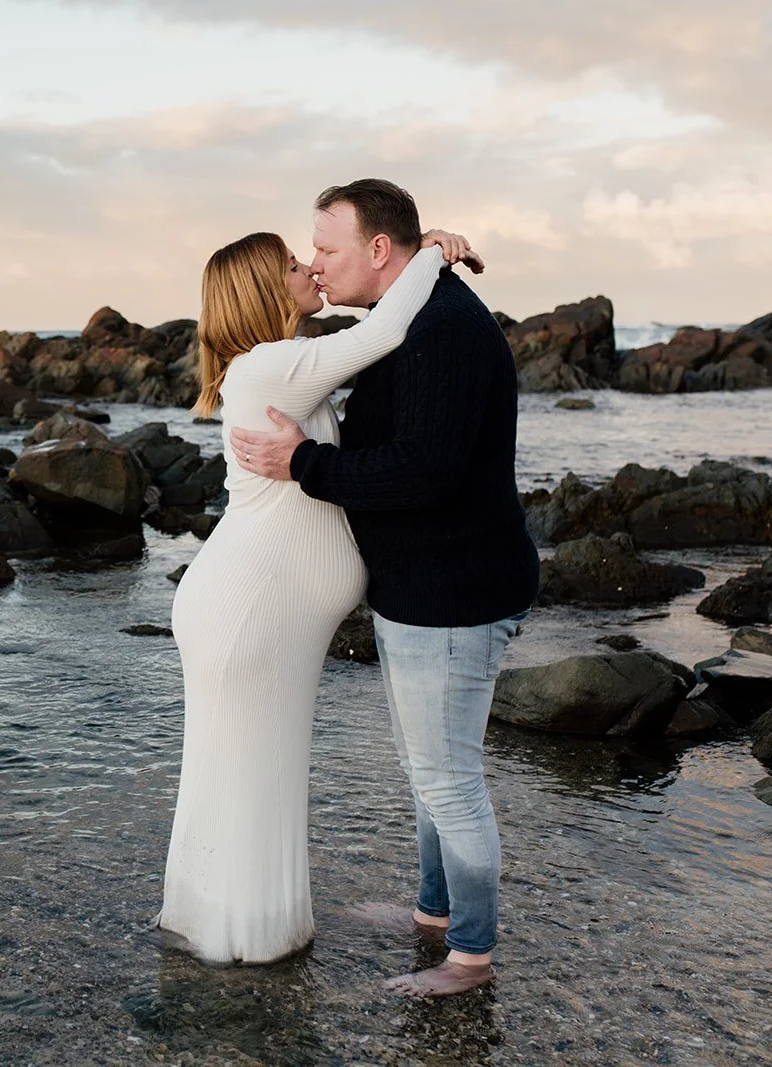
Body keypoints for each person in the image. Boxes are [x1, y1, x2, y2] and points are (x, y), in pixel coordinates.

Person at [229, 179, 540, 997]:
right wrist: (433, 249)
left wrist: (303, 462)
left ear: (377, 250)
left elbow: (426, 470)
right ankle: (434, 914)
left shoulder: (438, 328)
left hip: (455, 591)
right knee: (428, 767)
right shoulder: (408, 315)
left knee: (449, 778)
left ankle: (470, 955)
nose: (317, 266)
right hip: (423, 587)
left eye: (326, 249)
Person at [163, 225, 479, 967]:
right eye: (291, 264)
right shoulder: (272, 366)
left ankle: (230, 941)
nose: (308, 268)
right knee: (249, 780)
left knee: (247, 779)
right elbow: (391, 326)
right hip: (248, 613)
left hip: (249, 608)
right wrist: (432, 250)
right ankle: (247, 947)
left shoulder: (271, 367)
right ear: (265, 291)